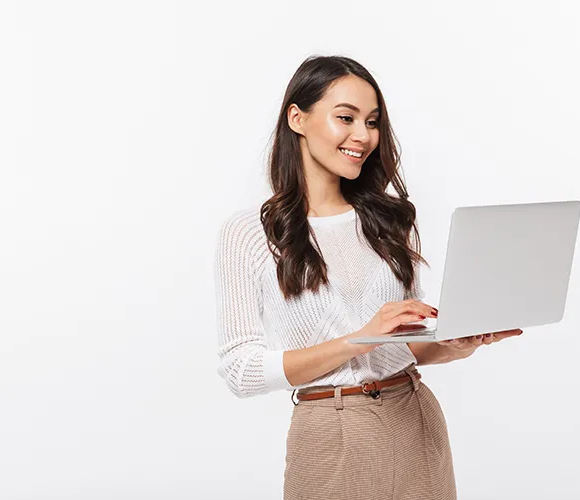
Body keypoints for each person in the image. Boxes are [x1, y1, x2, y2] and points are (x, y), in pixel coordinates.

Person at [214, 54, 523, 500]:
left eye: (373, 122)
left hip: (414, 419)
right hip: (328, 432)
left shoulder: (388, 221)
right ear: (297, 118)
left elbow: (403, 345)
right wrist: (360, 338)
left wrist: (453, 344)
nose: (363, 136)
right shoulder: (250, 234)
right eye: (346, 118)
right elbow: (240, 370)